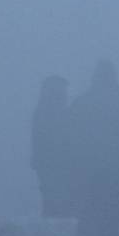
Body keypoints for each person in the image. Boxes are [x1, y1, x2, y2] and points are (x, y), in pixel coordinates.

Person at [70, 60, 119, 236]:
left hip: (88, 173)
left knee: (88, 220)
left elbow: (71, 140)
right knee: (112, 224)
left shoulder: (82, 103)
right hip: (117, 174)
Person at [31, 76, 76, 219]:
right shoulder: (58, 112)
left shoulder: (41, 111)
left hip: (47, 163)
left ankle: (52, 221)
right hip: (55, 163)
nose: (65, 94)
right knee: (56, 196)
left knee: (50, 197)